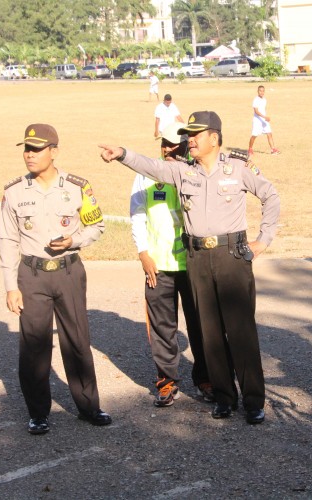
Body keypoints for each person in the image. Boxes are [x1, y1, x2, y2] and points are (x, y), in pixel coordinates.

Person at [99, 111, 280, 425]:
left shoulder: (237, 168)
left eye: (195, 134)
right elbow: (151, 166)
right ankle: (224, 397)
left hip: (232, 255)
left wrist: (262, 241)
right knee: (209, 333)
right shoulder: (183, 171)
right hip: (197, 258)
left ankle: (253, 401)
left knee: (240, 332)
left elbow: (270, 196)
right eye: (188, 134)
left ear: (214, 137)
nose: (190, 140)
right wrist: (122, 154)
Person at [0, 123, 112, 435]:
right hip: (32, 276)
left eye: (36, 149)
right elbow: (7, 240)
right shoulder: (14, 191)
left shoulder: (77, 187)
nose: (29, 155)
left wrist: (74, 240)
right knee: (34, 346)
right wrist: (10, 286)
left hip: (68, 271)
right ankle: (38, 413)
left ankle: (89, 406)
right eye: (26, 149)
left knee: (77, 340)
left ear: (54, 152)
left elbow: (97, 225)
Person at [130, 122, 212, 407]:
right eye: (164, 143)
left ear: (187, 145)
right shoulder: (146, 175)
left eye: (175, 144)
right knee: (163, 327)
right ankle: (166, 381)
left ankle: (206, 378)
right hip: (159, 264)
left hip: (194, 263)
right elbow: (137, 214)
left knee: (202, 324)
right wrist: (143, 253)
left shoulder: (198, 173)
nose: (168, 149)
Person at [248, 85, 280, 156]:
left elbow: (263, 109)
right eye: (260, 91)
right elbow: (256, 111)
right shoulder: (256, 100)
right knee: (254, 136)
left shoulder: (264, 99)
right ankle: (250, 149)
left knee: (269, 133)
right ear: (257, 91)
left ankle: (273, 149)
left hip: (264, 120)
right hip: (257, 121)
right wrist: (264, 116)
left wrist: (265, 117)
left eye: (263, 91)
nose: (262, 92)